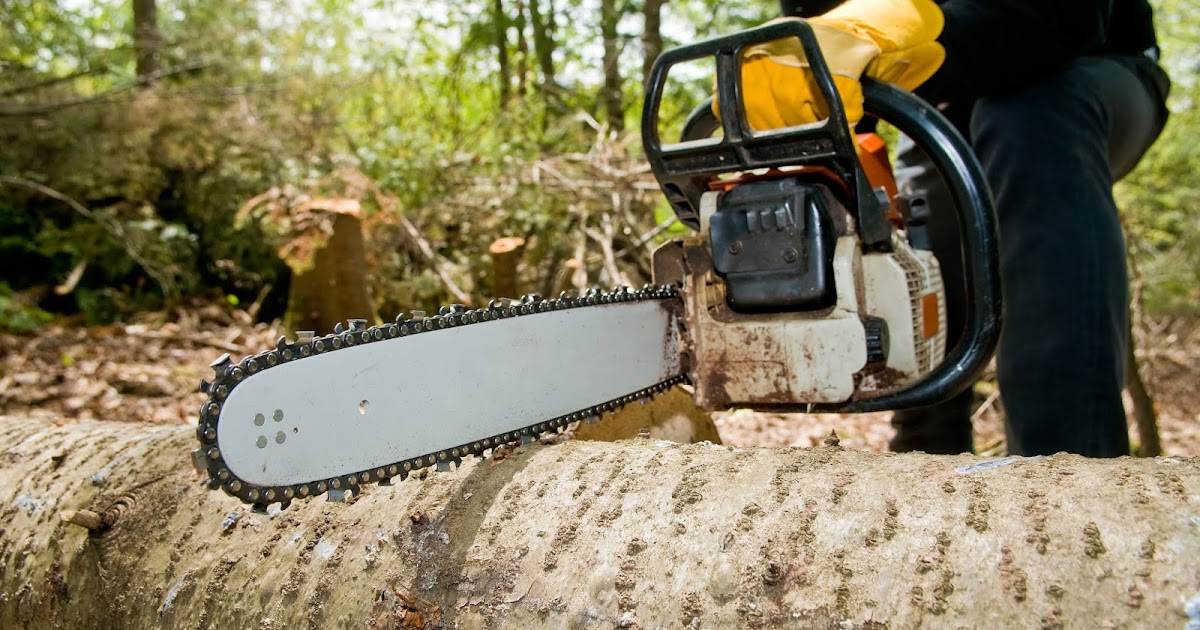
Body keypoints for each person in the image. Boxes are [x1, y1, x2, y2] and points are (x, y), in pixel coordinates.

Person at [740, 0, 1171, 456]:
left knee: (1030, 120)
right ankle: (926, 449)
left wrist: (912, 37)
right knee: (926, 198)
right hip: (940, 100)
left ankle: (1070, 460)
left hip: (1087, 66)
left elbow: (1068, 16)